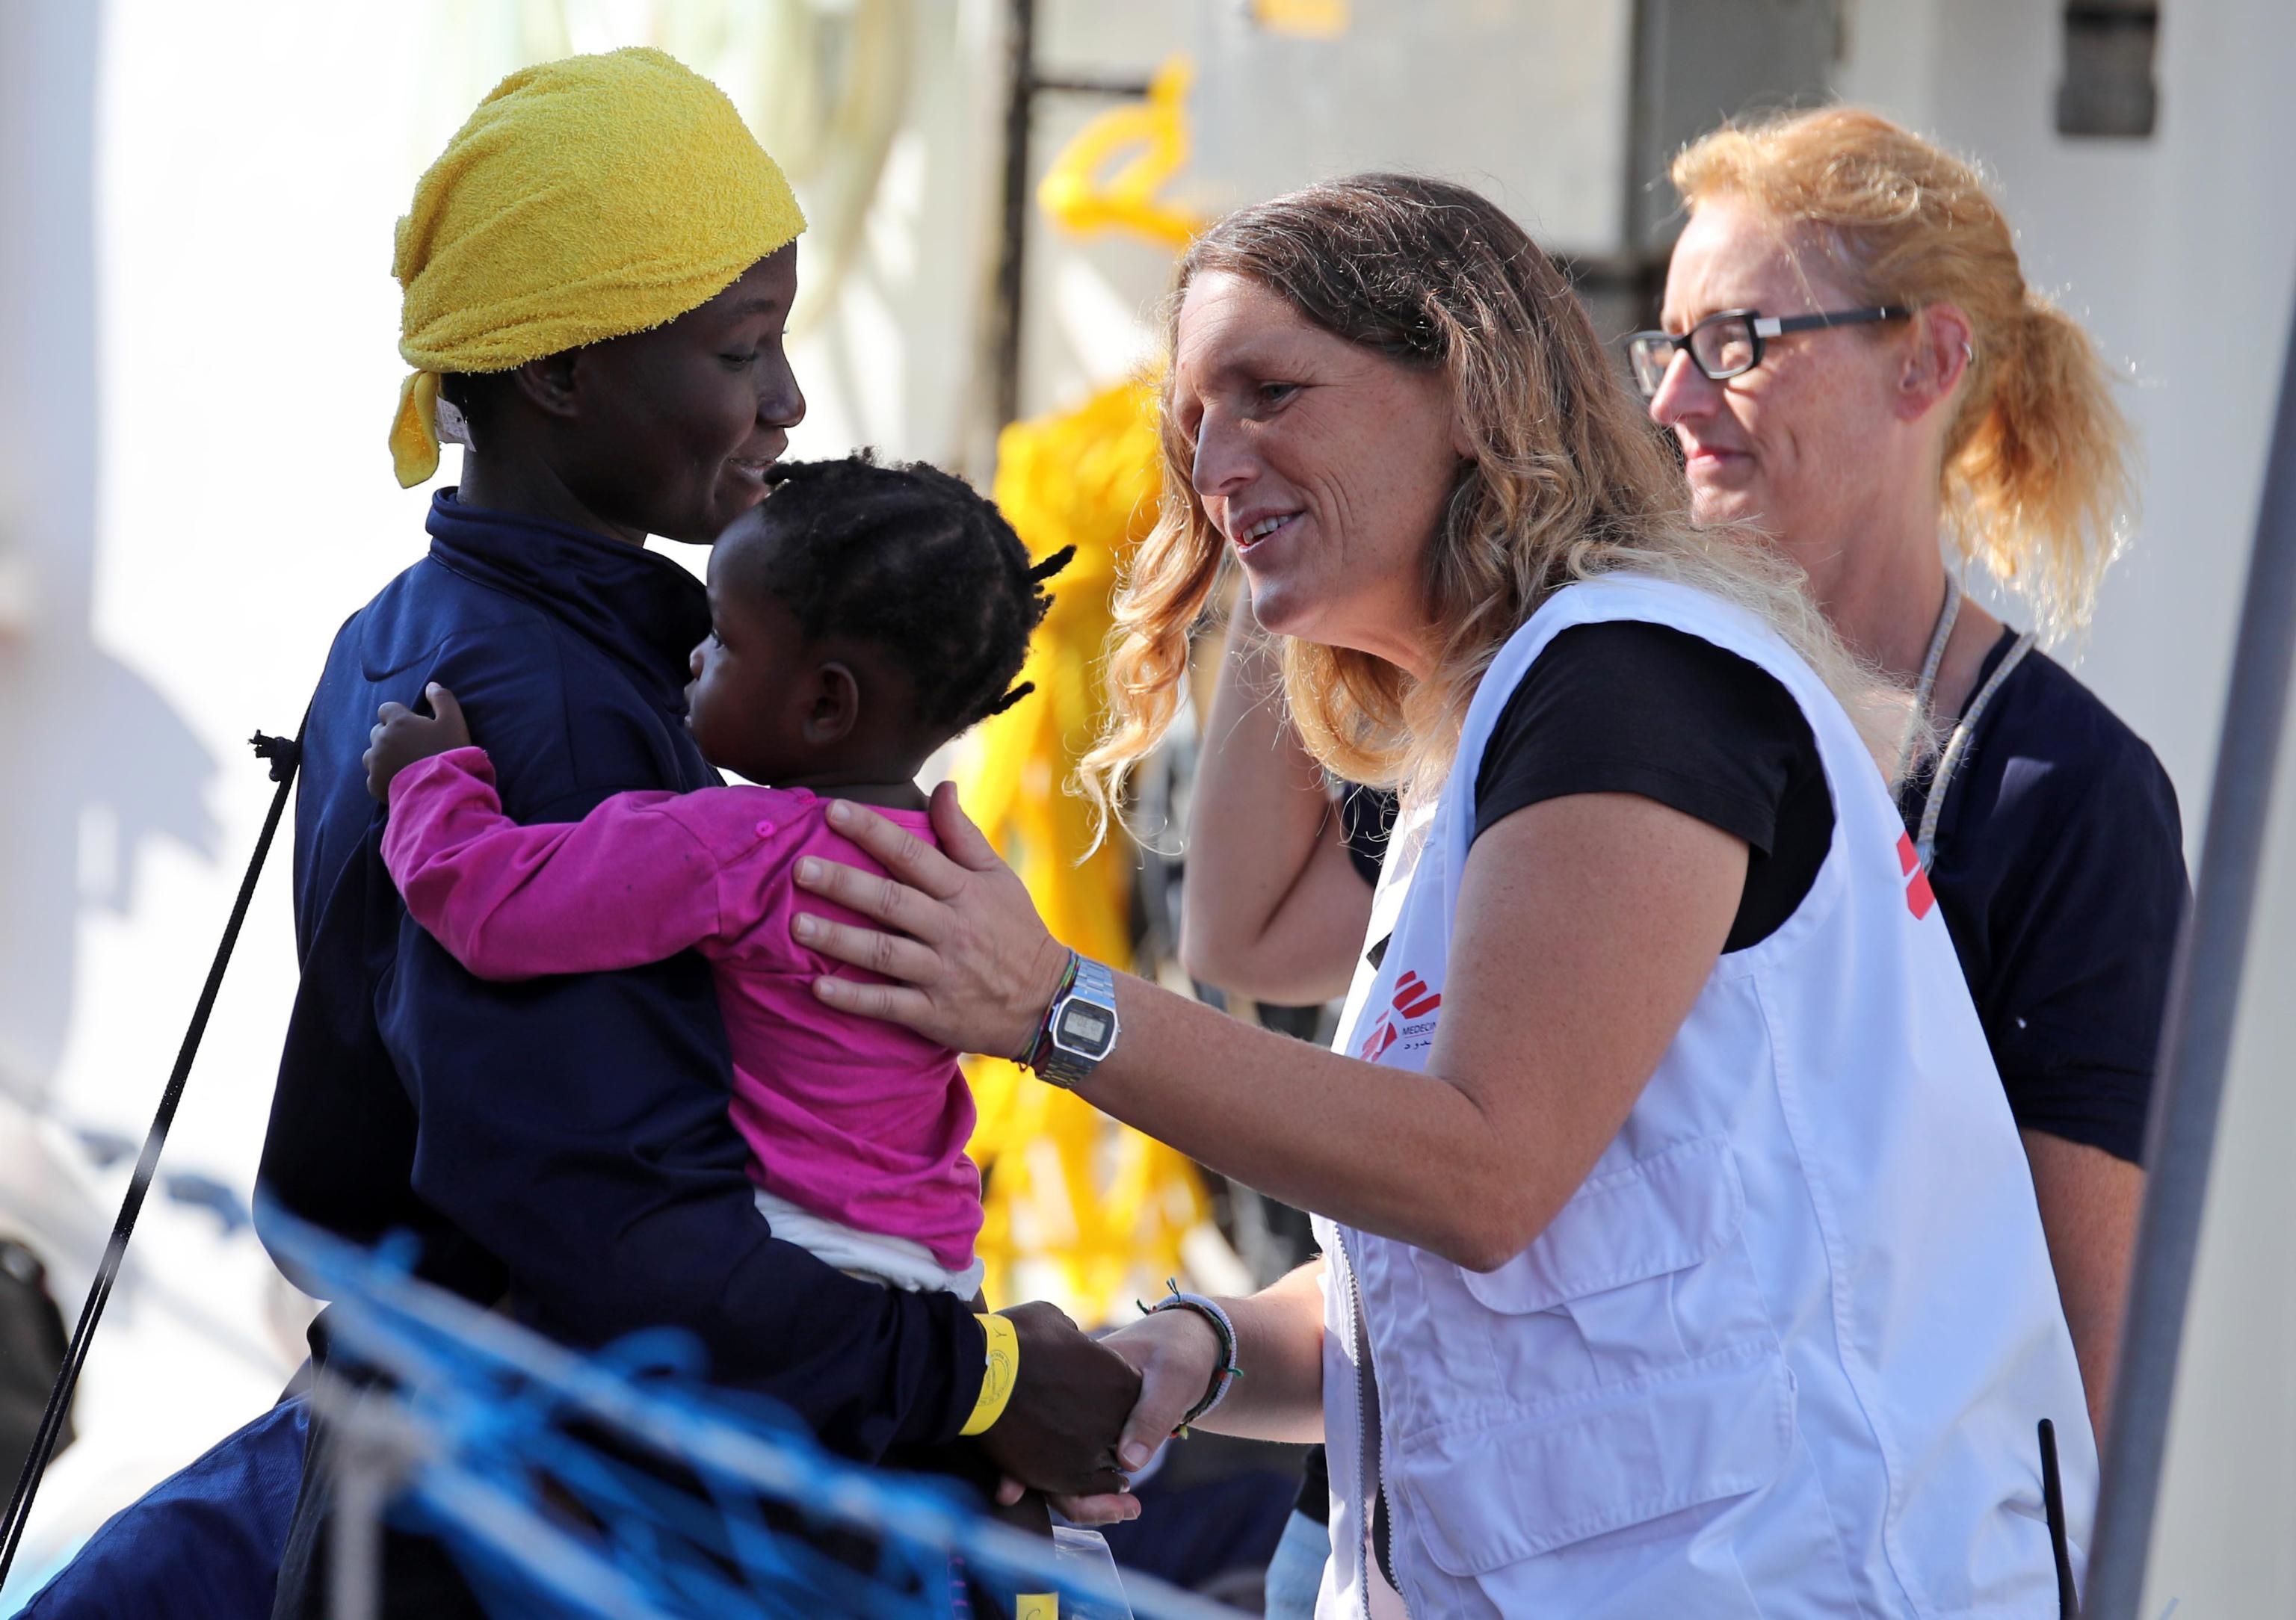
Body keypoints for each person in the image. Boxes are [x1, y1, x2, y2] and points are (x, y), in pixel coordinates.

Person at [782, 173, 2096, 1616]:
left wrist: (1053, 1006)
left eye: (1270, 393)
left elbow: (1481, 1175)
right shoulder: (1486, 736)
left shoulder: (1628, 677)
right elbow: (1434, 1291)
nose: (1209, 461)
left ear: (1470, 386)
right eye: (1192, 420)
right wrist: (1198, 1348)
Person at [19, 49, 1135, 1620]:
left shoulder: (437, 630)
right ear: (559, 374)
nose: (787, 399)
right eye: (741, 347)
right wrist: (977, 1376)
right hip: (558, 1514)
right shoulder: (550, 715)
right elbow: (616, 1230)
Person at [1633, 107, 2186, 1439]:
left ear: (1925, 361)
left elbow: (2086, 1363)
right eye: (1669, 344)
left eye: (1736, 342)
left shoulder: (2065, 793)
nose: (1672, 400)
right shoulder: (1623, 704)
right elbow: (1256, 929)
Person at [361, 455, 1068, 1307]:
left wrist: (429, 779)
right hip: (941, 1262)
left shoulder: (739, 846)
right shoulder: (951, 860)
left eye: (724, 638)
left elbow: (493, 909)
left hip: (803, 1258)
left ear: (826, 705)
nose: (693, 657)